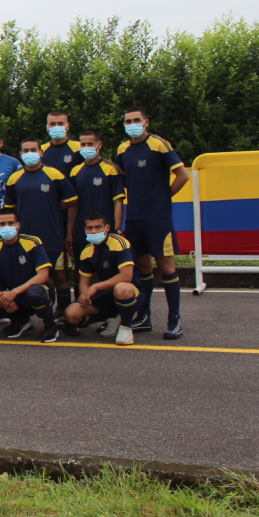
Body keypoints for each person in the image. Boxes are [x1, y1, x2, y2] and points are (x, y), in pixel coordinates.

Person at [117, 107, 189, 339]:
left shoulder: (159, 144)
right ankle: (144, 317)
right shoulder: (122, 149)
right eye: (128, 121)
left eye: (136, 120)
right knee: (143, 268)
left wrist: (163, 198)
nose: (132, 124)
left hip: (158, 218)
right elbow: (125, 181)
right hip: (134, 218)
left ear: (146, 122)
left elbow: (183, 176)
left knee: (167, 268)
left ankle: (174, 321)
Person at [3, 136, 77, 318]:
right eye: (26, 151)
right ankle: (25, 316)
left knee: (59, 276)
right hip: (25, 239)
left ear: (41, 153)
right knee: (27, 277)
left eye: (33, 150)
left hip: (52, 236)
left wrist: (53, 208)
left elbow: (72, 199)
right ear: (20, 154)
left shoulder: (54, 174)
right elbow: (10, 208)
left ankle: (64, 312)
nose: (30, 154)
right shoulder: (14, 179)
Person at [0, 210, 59, 342]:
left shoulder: (32, 242)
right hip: (10, 296)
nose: (6, 227)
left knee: (35, 292)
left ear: (18, 225)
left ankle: (50, 326)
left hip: (33, 292)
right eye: (2, 224)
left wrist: (14, 292)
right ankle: (20, 320)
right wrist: (3, 297)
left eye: (11, 223)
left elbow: (43, 275)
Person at [64, 210, 140, 344]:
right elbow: (84, 282)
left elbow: (126, 276)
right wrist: (85, 296)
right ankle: (112, 318)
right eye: (90, 228)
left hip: (130, 292)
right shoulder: (86, 251)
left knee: (122, 288)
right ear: (85, 229)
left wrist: (95, 287)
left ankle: (126, 327)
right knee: (71, 314)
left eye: (98, 227)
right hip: (105, 295)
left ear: (107, 227)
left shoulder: (119, 242)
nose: (94, 231)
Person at [67, 129, 124, 271]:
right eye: (83, 144)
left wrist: (117, 230)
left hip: (105, 231)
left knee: (108, 271)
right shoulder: (75, 171)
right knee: (80, 272)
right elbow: (73, 205)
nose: (86, 147)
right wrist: (70, 232)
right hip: (81, 232)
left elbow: (118, 202)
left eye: (90, 144)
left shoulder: (111, 169)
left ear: (99, 144)